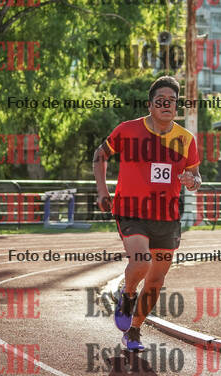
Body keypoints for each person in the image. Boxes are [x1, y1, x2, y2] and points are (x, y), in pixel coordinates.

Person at [93, 76, 201, 351]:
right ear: (150, 105)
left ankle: (134, 331)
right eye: (160, 101)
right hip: (131, 210)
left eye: (172, 101)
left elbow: (196, 176)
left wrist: (192, 181)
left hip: (166, 216)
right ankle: (127, 294)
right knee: (141, 263)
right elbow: (100, 155)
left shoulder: (185, 139)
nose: (166, 105)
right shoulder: (128, 130)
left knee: (155, 280)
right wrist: (103, 191)